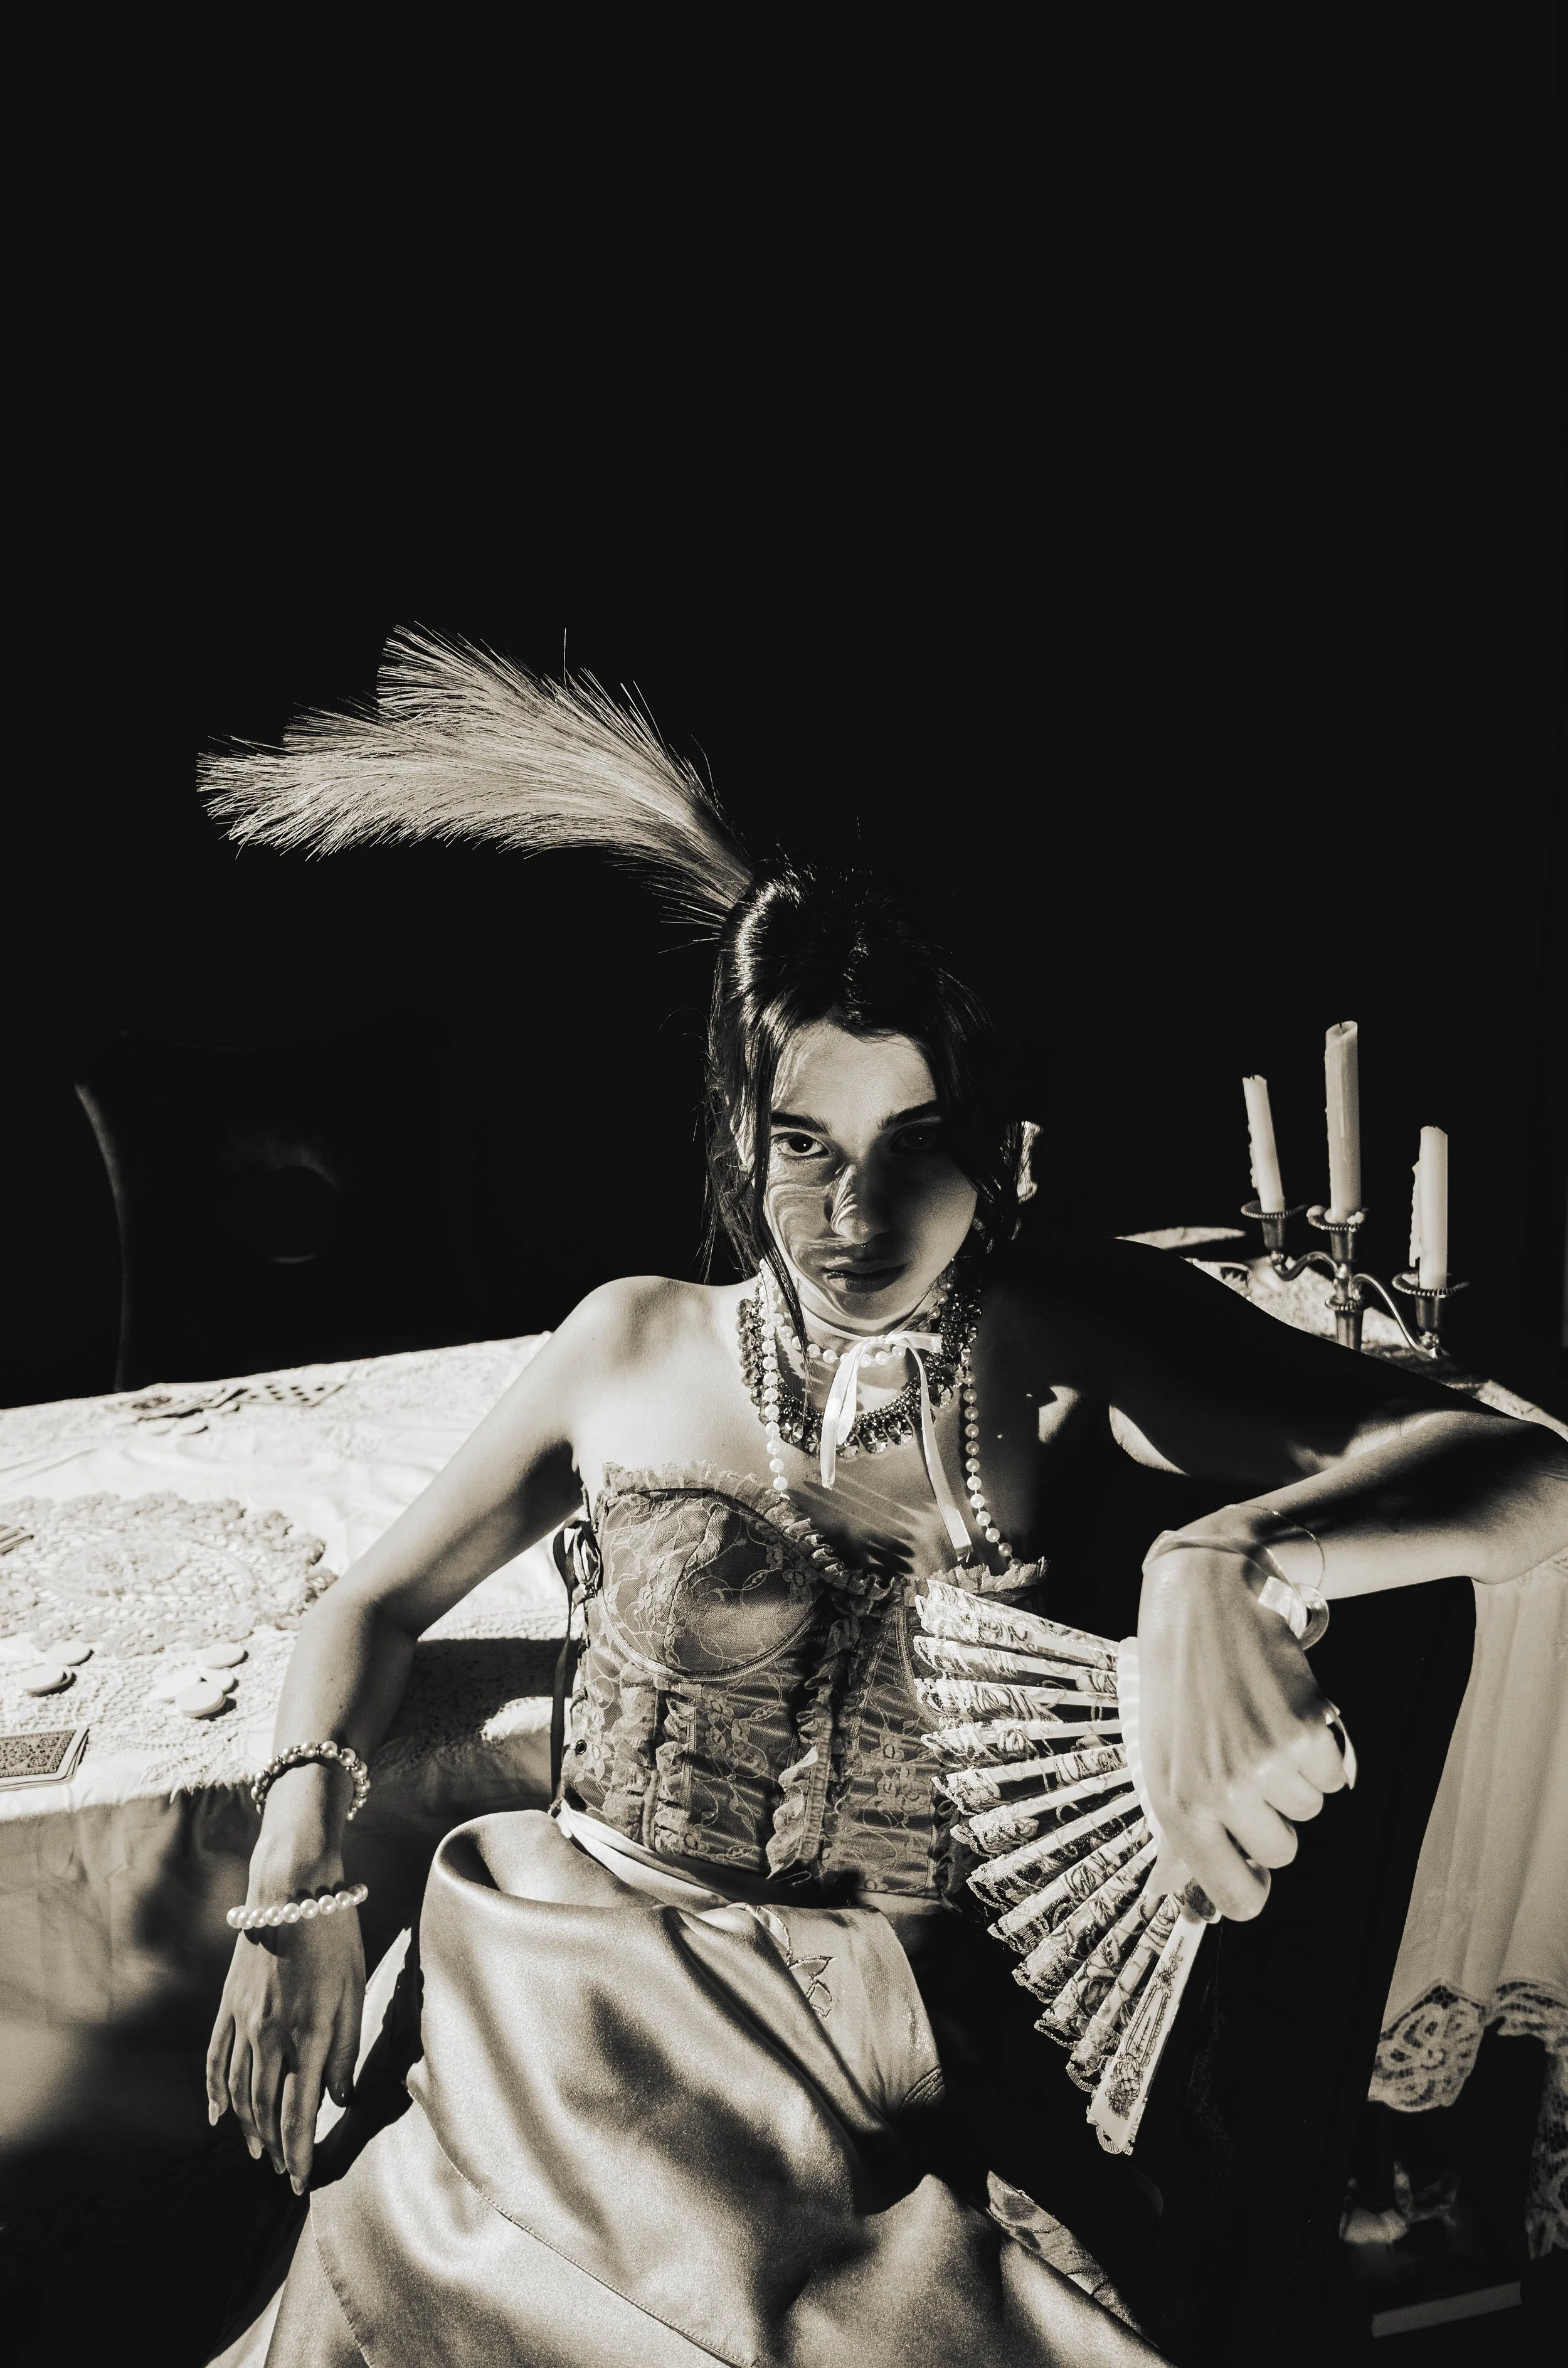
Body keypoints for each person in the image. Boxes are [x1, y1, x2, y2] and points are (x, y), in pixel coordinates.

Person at [199, 634, 1568, 2367]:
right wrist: (299, 1871)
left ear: (994, 1141)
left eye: (915, 1141)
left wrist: (1234, 1547)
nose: (854, 1214)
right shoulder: (629, 1341)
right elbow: (365, 1607)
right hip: (566, 2006)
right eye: (802, 1143)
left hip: (880, 2067)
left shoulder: (1061, 1334)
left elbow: (1526, 1477)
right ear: (737, 1128)